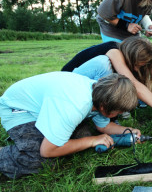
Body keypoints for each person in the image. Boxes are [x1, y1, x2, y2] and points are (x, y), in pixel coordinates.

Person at [0, 73, 140, 179]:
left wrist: (129, 132)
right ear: (104, 107)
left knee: (81, 137)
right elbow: (47, 150)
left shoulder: (100, 93)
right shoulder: (75, 106)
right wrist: (91, 141)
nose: (121, 114)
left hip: (48, 107)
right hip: (19, 111)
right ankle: (4, 155)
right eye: (119, 111)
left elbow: (104, 127)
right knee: (43, 161)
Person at [61, 37, 152, 138]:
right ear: (130, 57)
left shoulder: (128, 59)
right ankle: (91, 121)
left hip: (90, 89)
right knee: (117, 81)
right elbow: (135, 85)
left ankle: (99, 122)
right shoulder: (114, 52)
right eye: (136, 65)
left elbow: (146, 89)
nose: (136, 70)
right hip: (68, 85)